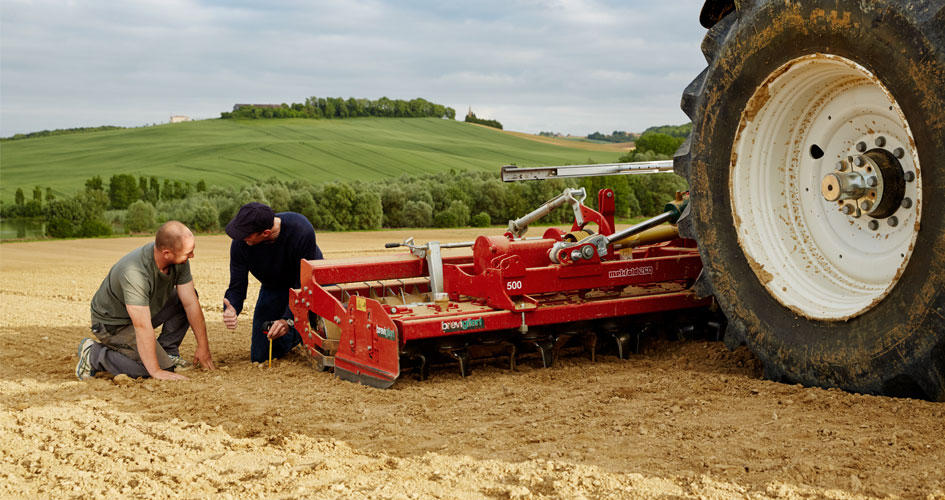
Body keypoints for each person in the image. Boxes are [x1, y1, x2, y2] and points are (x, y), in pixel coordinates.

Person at [76, 221, 216, 380]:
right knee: (151, 370)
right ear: (166, 253)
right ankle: (95, 355)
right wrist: (157, 370)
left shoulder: (178, 259)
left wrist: (203, 347)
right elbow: (141, 325)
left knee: (181, 299)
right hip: (112, 324)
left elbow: (190, 303)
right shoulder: (134, 272)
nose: (192, 256)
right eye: (188, 253)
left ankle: (167, 351)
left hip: (143, 310)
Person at [222, 202, 323, 363]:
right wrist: (232, 307)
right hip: (274, 286)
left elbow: (304, 284)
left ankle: (305, 327)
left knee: (319, 334)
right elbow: (237, 286)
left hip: (309, 285)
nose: (240, 238)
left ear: (265, 232)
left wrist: (288, 320)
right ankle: (296, 336)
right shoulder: (240, 244)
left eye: (246, 235)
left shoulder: (301, 230)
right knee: (260, 356)